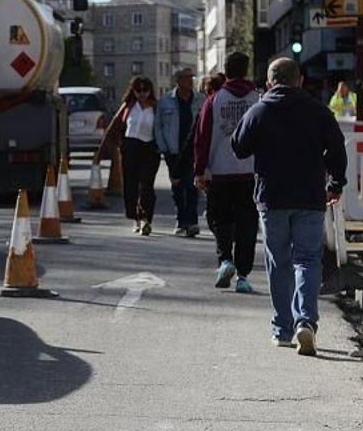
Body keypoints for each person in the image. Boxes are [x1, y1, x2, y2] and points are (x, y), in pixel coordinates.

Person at [231, 57, 348, 355]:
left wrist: (258, 112)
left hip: (272, 199)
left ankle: (282, 329)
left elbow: (239, 146)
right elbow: (336, 148)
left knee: (278, 262)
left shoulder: (259, 111)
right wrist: (335, 184)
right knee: (308, 260)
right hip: (310, 197)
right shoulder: (318, 111)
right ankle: (305, 322)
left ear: (270, 83)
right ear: (299, 80)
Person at [192, 51, 262, 293]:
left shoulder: (214, 100)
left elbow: (201, 138)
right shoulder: (258, 99)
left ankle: (225, 260)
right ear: (246, 70)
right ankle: (243, 276)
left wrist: (200, 169)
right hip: (251, 172)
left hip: (220, 172)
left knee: (219, 219)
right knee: (247, 224)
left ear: (226, 70)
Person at [97, 75, 161, 234]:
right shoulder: (128, 107)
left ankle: (146, 219)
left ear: (150, 91)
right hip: (130, 148)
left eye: (145, 90)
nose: (142, 94)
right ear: (133, 91)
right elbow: (114, 127)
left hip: (150, 149)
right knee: (131, 185)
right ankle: (136, 219)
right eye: (138, 90)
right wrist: (104, 150)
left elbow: (164, 129)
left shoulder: (156, 107)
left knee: (146, 185)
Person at [154, 67, 201, 237]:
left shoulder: (199, 99)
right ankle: (181, 220)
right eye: (186, 78)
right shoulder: (166, 101)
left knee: (192, 186)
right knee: (177, 188)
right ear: (178, 80)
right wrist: (163, 148)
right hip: (173, 151)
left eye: (191, 77)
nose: (190, 81)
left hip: (193, 151)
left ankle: (192, 221)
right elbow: (158, 126)